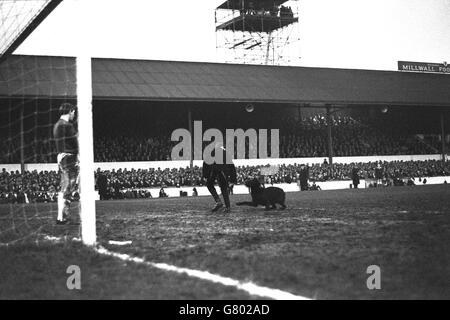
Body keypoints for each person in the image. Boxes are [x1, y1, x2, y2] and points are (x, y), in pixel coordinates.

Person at [53, 103, 78, 225]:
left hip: (62, 157)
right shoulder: (67, 125)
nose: (74, 115)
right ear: (71, 111)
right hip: (69, 158)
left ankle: (62, 216)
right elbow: (76, 142)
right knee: (68, 188)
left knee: (66, 187)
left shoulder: (57, 125)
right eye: (74, 112)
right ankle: (62, 217)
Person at [202, 144, 237, 213]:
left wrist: (205, 175)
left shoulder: (212, 152)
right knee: (224, 189)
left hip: (213, 170)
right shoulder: (226, 154)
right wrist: (233, 179)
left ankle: (218, 201)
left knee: (209, 185)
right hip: (222, 171)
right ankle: (227, 207)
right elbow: (232, 167)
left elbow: (205, 163)